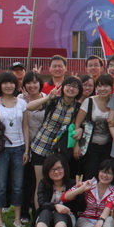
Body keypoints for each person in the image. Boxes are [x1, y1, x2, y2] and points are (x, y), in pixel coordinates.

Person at [27, 76, 83, 205]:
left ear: (79, 91)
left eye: (75, 87)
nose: (71, 89)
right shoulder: (54, 101)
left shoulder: (78, 108)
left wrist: (79, 130)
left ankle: (55, 212)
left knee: (58, 184)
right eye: (69, 85)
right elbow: (29, 107)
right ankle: (39, 213)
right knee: (40, 183)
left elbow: (80, 125)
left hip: (59, 150)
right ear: (63, 87)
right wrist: (48, 97)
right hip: (41, 145)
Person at [0, 71, 29, 227]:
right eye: (5, 83)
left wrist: (26, 150)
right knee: (0, 186)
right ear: (0, 85)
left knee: (18, 186)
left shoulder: (22, 103)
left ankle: (17, 219)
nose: (8, 86)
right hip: (1, 150)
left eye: (11, 83)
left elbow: (25, 127)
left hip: (19, 148)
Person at [64, 160, 114, 227]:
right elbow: (64, 197)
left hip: (103, 219)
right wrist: (81, 189)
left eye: (109, 173)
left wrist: (101, 220)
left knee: (110, 220)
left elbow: (110, 205)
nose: (105, 175)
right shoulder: (90, 183)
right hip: (85, 219)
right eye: (103, 172)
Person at [31, 154, 77, 227]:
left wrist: (80, 191)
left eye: (59, 168)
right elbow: (41, 203)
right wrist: (55, 206)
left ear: (65, 168)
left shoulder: (72, 184)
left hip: (65, 222)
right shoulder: (44, 183)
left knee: (60, 212)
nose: (56, 172)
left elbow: (80, 206)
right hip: (46, 220)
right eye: (52, 169)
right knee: (45, 211)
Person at [72, 73, 113, 181]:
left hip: (108, 148)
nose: (102, 89)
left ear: (111, 87)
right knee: (90, 178)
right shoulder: (89, 101)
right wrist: (76, 144)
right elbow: (77, 123)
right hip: (90, 147)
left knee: (105, 178)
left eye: (106, 86)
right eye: (99, 86)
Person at [19, 71, 45, 223]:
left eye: (35, 82)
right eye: (28, 82)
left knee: (39, 180)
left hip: (42, 145)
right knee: (25, 179)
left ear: (40, 84)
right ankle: (24, 212)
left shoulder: (47, 98)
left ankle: (38, 210)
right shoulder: (20, 99)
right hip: (24, 144)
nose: (32, 85)